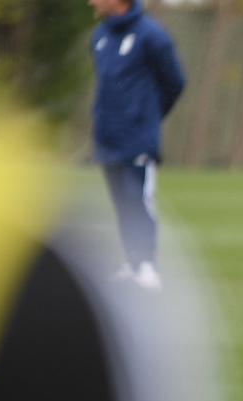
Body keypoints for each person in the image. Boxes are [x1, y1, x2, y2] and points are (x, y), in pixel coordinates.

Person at [89, 0, 184, 291]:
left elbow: (175, 82)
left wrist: (146, 117)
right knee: (120, 202)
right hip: (108, 137)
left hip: (137, 138)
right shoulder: (99, 37)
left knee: (138, 200)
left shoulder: (152, 36)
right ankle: (131, 261)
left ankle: (147, 264)